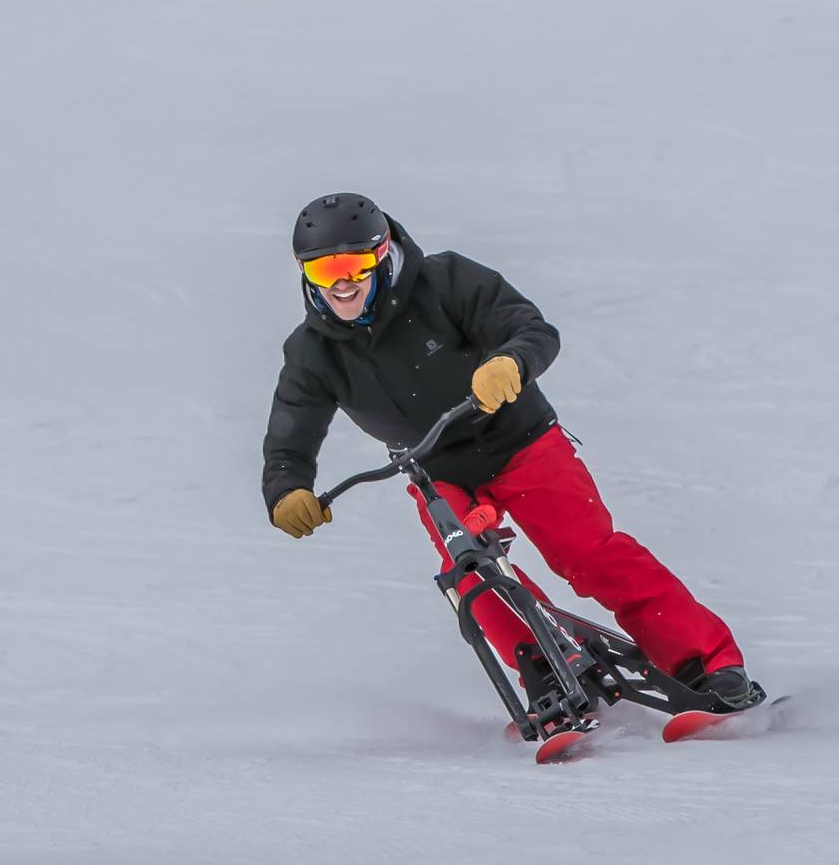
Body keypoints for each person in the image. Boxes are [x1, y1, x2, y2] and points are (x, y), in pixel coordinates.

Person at [262, 192, 762, 715]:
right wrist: (287, 489)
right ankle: (545, 671)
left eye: (355, 264)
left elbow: (530, 328)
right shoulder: (311, 352)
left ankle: (705, 663)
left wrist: (510, 362)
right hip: (437, 472)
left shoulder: (446, 281)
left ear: (382, 254)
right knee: (471, 571)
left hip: (520, 443)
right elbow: (290, 432)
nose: (342, 282)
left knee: (586, 554)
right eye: (324, 270)